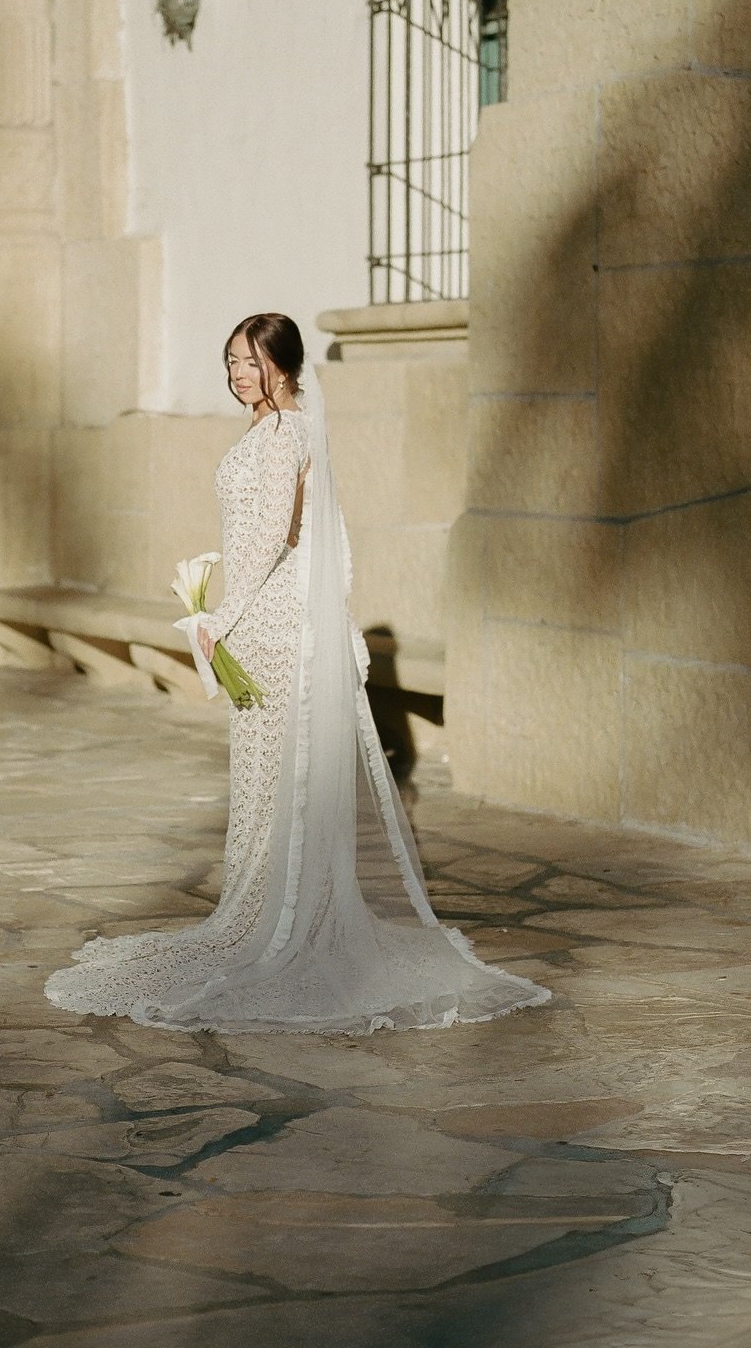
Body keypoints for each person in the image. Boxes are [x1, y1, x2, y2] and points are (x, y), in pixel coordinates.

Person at [45, 313, 549, 1034]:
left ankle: (285, 923)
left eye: (250, 361)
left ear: (282, 364)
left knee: (283, 778)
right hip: (262, 618)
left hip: (274, 622)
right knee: (264, 777)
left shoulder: (286, 433)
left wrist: (220, 616)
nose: (237, 373)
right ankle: (260, 907)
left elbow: (281, 534)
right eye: (230, 360)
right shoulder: (275, 427)